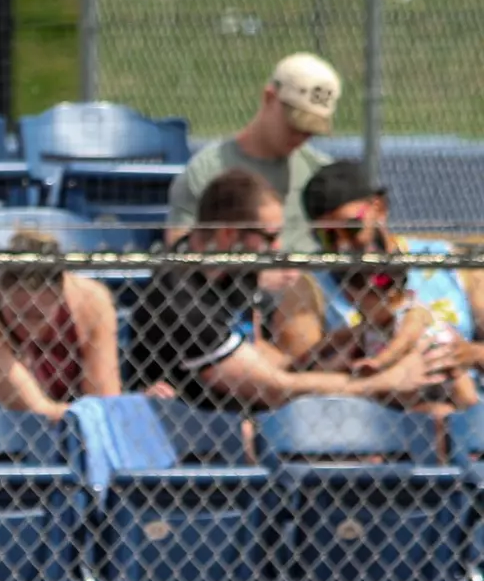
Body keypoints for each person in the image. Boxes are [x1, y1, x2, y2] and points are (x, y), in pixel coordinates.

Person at [128, 168, 445, 411]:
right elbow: (275, 388)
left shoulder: (232, 270)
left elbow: (263, 357)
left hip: (241, 414)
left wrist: (346, 343)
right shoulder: (181, 303)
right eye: (269, 237)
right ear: (227, 235)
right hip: (196, 430)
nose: (277, 248)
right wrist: (384, 382)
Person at [292, 162, 479, 414]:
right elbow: (301, 378)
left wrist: (469, 354)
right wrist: (372, 377)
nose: (342, 246)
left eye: (351, 228)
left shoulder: (446, 261)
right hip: (368, 414)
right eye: (327, 236)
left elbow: (409, 334)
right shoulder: (309, 285)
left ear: (379, 208)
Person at [166, 53, 338, 252]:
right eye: (294, 125)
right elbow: (180, 250)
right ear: (269, 97)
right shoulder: (207, 170)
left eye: (309, 131)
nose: (301, 136)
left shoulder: (320, 173)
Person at [0, 231, 121, 422]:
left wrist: (96, 418)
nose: (27, 328)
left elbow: (106, 403)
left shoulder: (91, 303)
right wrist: (90, 418)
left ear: (60, 296)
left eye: (39, 317)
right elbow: (36, 411)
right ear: (0, 293)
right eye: (18, 315)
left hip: (70, 433)